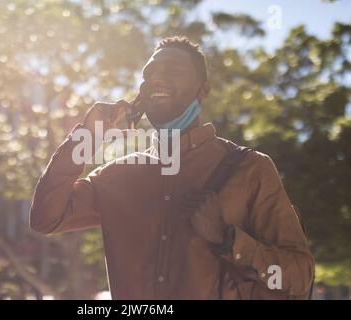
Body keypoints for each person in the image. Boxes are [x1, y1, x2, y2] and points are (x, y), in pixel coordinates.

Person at [29, 36, 314, 299]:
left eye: (172, 70)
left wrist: (230, 240)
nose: (155, 79)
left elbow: (300, 275)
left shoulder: (251, 168)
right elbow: (45, 218)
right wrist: (86, 138)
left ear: (204, 89)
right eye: (148, 74)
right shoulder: (115, 177)